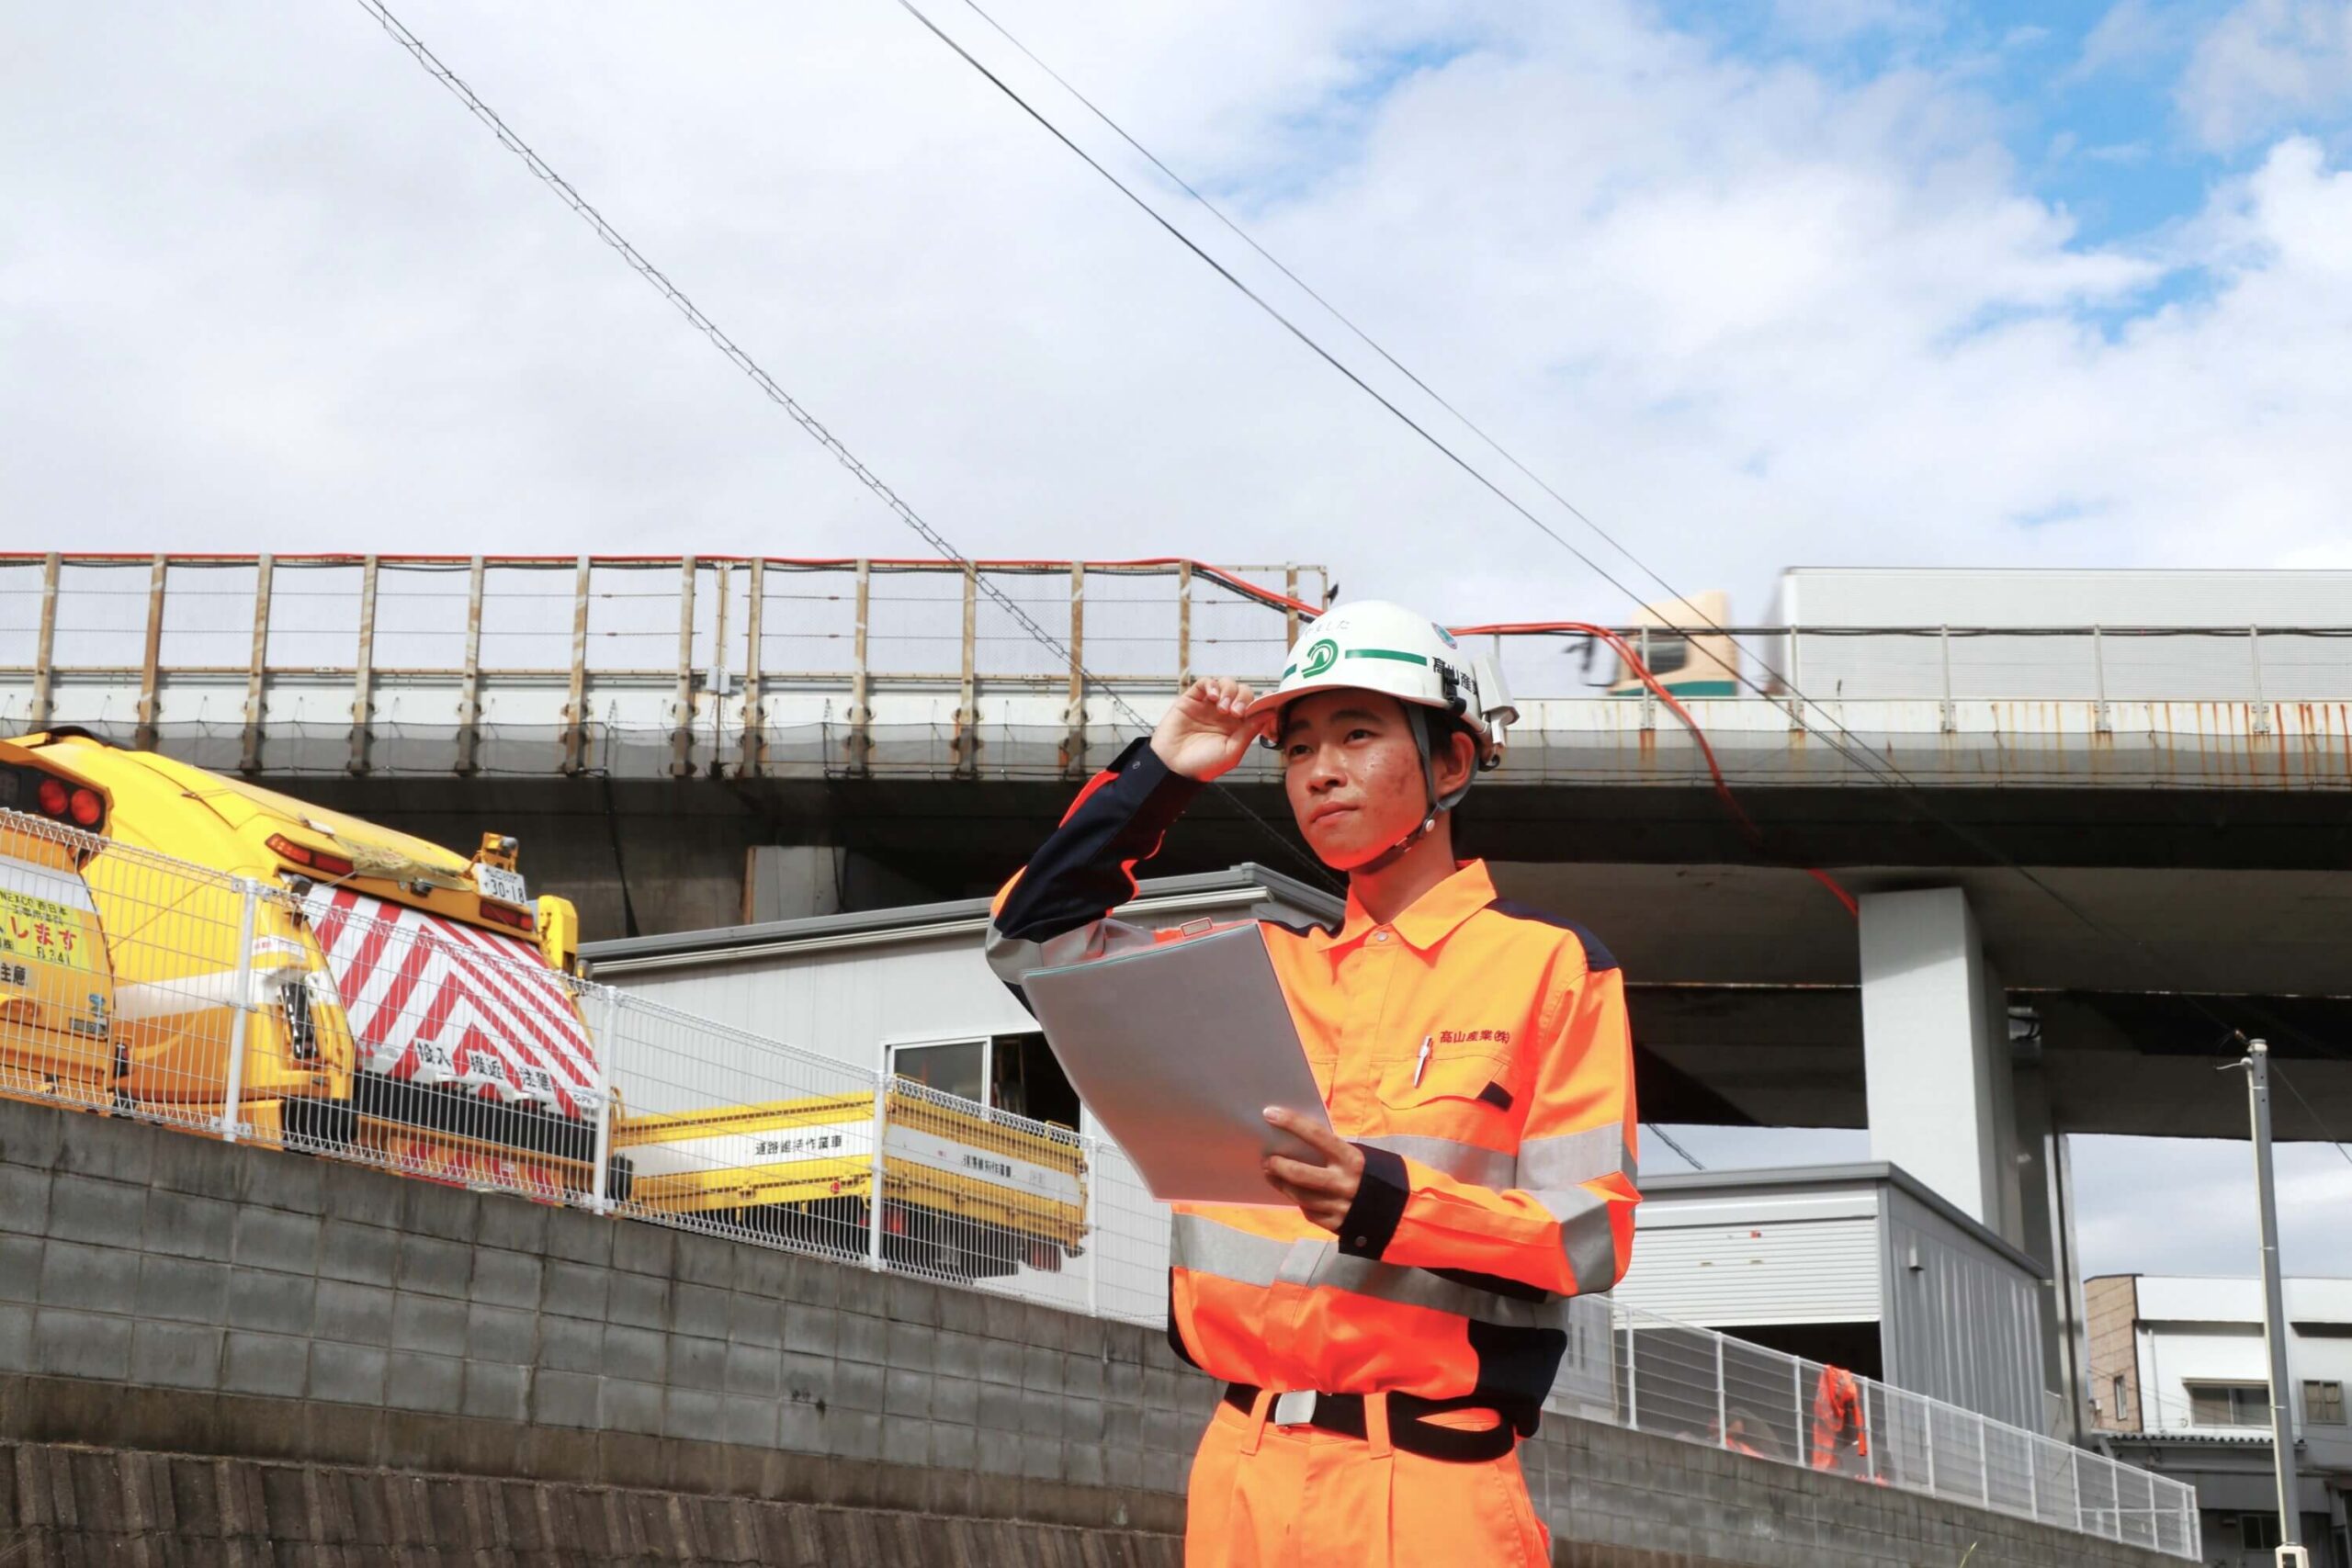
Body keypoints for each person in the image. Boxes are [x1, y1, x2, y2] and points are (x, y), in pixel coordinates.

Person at [986, 602, 1640, 1566]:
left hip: (1432, 1486)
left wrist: (1390, 1205)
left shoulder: (1552, 969)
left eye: (1358, 735)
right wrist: (1161, 774)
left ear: (1451, 763)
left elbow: (1589, 1232)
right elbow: (1032, 940)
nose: (1320, 770)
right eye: (1296, 749)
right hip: (1238, 1478)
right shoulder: (1249, 971)